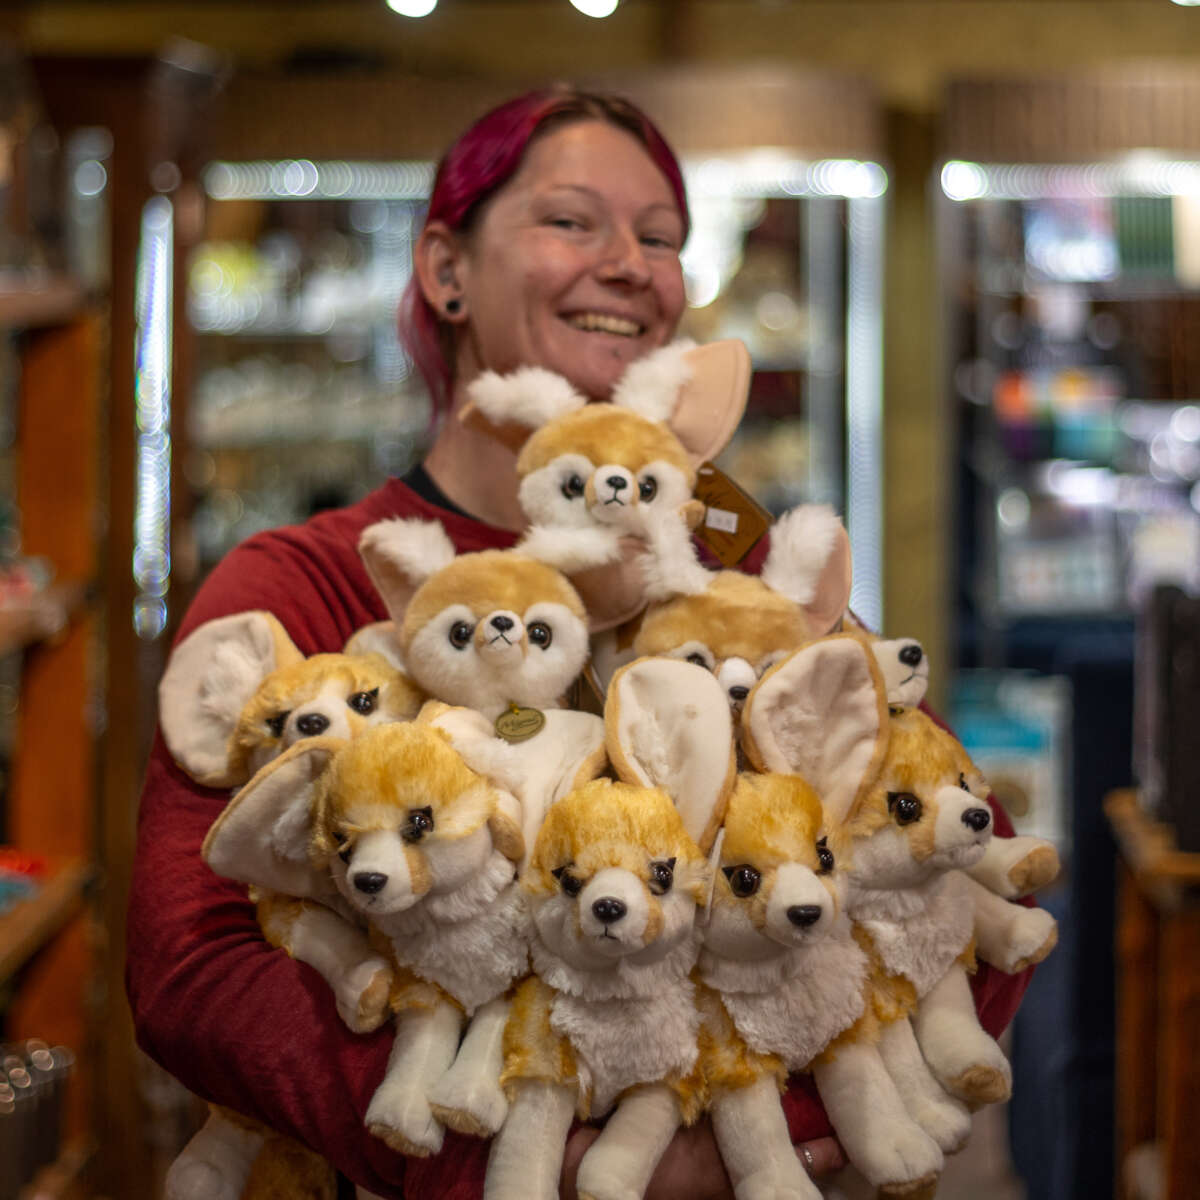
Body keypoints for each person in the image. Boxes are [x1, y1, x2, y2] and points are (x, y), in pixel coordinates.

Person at [126, 86, 1032, 1200]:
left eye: (661, 238)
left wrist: (741, 1144)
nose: (631, 264)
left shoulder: (731, 579)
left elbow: (960, 854)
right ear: (445, 270)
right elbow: (194, 965)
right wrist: (506, 1166)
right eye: (572, 221)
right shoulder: (303, 583)